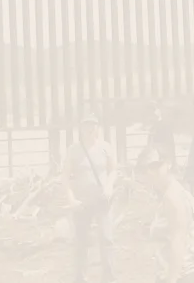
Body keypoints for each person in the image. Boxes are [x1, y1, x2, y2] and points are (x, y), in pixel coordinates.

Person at [62, 115, 117, 283]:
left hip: (101, 200)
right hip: (82, 203)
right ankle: (81, 277)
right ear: (81, 128)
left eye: (93, 125)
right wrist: (71, 200)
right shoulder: (73, 150)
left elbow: (113, 170)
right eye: (86, 126)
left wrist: (109, 187)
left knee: (107, 238)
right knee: (81, 241)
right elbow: (65, 177)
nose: (90, 129)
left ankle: (109, 277)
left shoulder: (106, 148)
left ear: (98, 128)